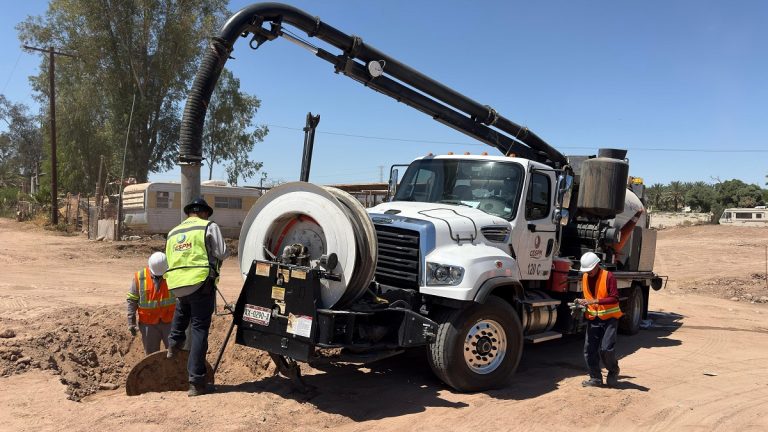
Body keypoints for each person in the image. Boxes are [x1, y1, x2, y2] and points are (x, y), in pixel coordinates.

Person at [164, 197, 226, 397]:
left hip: (176, 283)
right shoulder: (208, 226)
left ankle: (173, 343)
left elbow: (169, 259)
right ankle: (196, 382)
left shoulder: (173, 232)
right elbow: (221, 252)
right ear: (205, 212)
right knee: (199, 329)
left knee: (183, 308)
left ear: (189, 212)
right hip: (200, 281)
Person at [576, 252, 623, 388]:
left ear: (597, 265)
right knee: (589, 349)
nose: (588, 272)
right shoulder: (585, 277)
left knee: (606, 349)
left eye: (590, 269)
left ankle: (613, 370)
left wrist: (595, 301)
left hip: (610, 319)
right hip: (593, 319)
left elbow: (614, 298)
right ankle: (595, 378)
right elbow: (588, 295)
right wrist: (581, 302)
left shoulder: (608, 276)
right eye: (586, 270)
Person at [126, 252, 176, 355]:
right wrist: (131, 321)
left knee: (175, 353)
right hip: (148, 324)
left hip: (170, 321)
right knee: (151, 356)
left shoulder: (173, 275)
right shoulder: (140, 277)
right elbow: (132, 299)